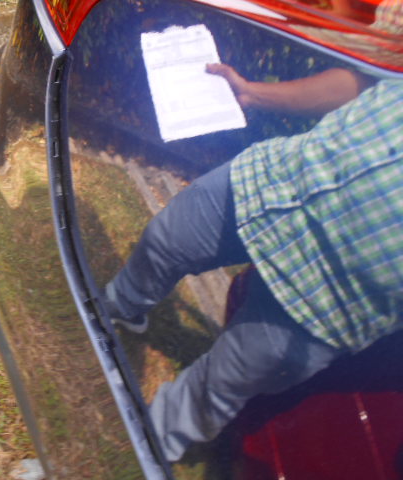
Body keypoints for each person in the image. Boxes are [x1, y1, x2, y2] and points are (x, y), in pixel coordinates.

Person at [102, 66, 403, 461]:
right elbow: (366, 81)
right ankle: (117, 308)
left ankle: (145, 448)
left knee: (219, 384)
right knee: (166, 239)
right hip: (274, 181)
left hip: (335, 299)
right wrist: (256, 94)